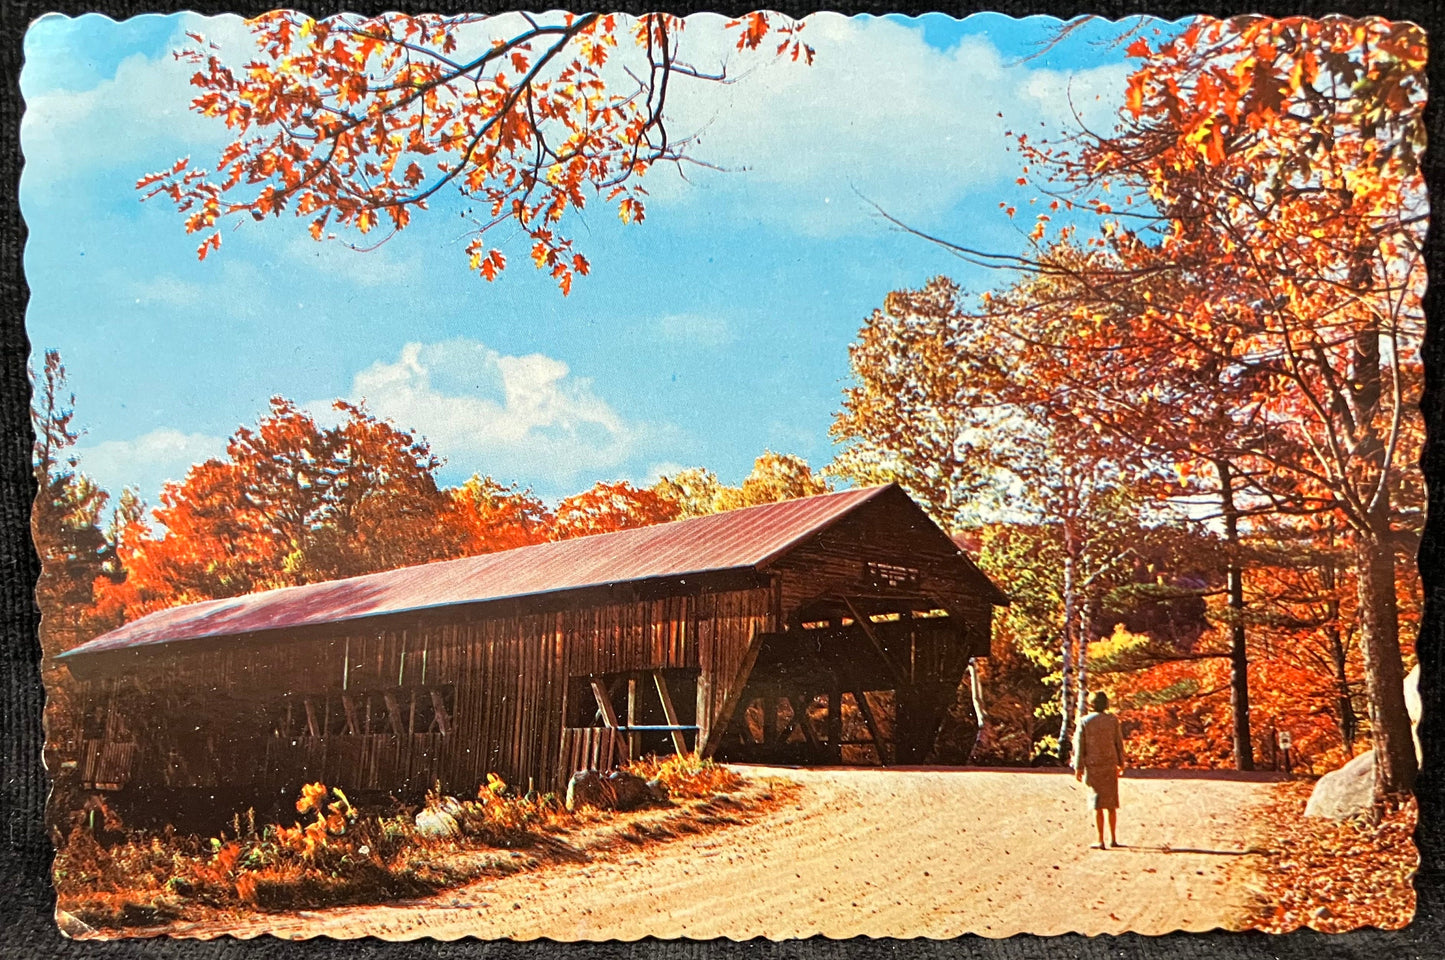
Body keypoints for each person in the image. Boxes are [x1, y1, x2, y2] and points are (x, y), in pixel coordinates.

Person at [1073, 691, 1126, 849]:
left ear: (1091, 704)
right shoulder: (1113, 721)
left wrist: (1078, 767)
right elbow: (1118, 743)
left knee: (1097, 803)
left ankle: (1100, 840)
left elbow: (1079, 746)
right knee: (1111, 804)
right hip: (1110, 764)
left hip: (1093, 765)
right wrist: (1121, 762)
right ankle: (1113, 839)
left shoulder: (1084, 722)